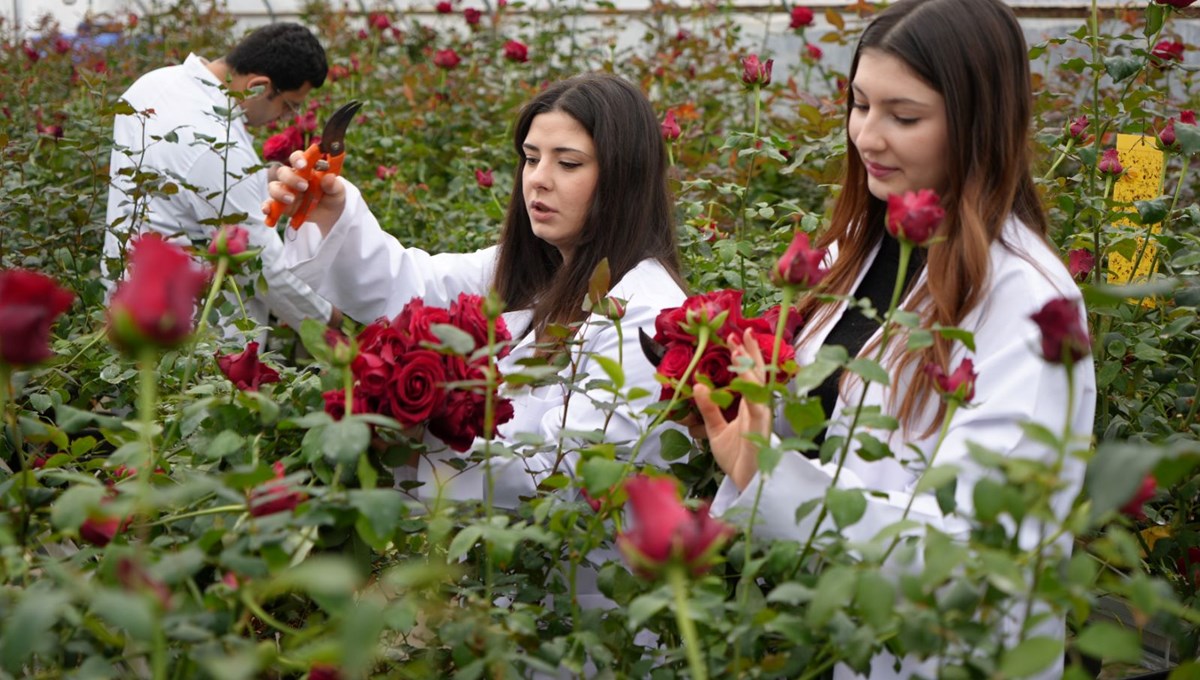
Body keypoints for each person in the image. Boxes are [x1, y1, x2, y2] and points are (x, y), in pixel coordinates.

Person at [692, 0, 1096, 676]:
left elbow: (972, 553)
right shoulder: (863, 249)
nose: (866, 137)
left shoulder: (1030, 304)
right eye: (859, 105)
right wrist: (754, 435)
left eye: (903, 117)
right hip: (830, 635)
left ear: (977, 126)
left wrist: (774, 477)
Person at [269, 73, 687, 516]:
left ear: (625, 177)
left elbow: (559, 479)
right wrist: (329, 209)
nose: (538, 180)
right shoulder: (535, 271)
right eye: (530, 158)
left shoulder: (643, 315)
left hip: (580, 578)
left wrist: (418, 445)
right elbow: (412, 286)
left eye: (567, 164)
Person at [104, 22, 335, 331]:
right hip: (190, 342)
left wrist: (266, 176)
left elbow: (182, 186)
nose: (285, 117)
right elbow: (262, 266)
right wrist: (333, 320)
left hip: (128, 301)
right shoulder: (216, 144)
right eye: (289, 104)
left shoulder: (153, 84)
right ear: (259, 86)